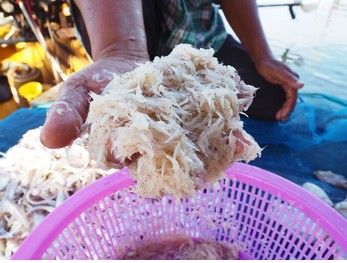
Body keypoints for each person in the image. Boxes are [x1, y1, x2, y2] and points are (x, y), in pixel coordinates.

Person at [40, 0, 303, 150]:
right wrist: (120, 48)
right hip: (126, 20)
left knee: (273, 99)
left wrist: (262, 55)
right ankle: (128, 56)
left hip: (201, 34)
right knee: (141, 140)